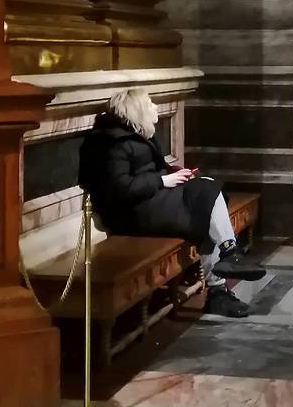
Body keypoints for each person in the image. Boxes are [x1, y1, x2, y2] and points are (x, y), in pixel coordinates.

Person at [78, 87, 265, 319]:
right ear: (137, 111)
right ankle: (226, 266)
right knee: (205, 200)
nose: (156, 107)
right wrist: (163, 180)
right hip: (131, 214)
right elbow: (118, 189)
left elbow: (147, 170)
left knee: (205, 199)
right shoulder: (111, 143)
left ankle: (223, 277)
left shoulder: (136, 135)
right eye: (150, 103)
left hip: (149, 203)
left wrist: (173, 172)